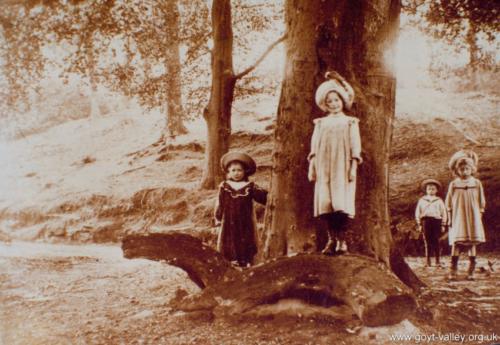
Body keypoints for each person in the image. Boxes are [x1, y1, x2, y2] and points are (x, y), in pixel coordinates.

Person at [307, 71, 362, 255]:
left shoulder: (350, 122)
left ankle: (342, 241)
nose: (333, 104)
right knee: (326, 203)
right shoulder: (321, 123)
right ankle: (331, 239)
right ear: (325, 104)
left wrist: (353, 167)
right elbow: (314, 146)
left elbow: (355, 146)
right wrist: (312, 166)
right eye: (329, 101)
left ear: (343, 101)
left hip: (342, 166)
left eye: (336, 100)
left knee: (341, 203)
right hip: (324, 167)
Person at [214, 151, 267, 267]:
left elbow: (264, 198)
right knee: (230, 240)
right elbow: (220, 204)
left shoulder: (250, 186)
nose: (236, 173)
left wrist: (271, 196)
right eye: (233, 170)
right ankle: (232, 261)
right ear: (228, 172)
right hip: (229, 221)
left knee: (246, 239)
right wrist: (218, 219)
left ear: (245, 172)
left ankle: (246, 261)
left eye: (239, 170)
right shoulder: (224, 186)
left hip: (245, 221)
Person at [446, 150, 486, 280]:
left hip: (473, 216)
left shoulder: (476, 183)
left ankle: (471, 271)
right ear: (457, 170)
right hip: (458, 217)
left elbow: (481, 201)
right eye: (462, 169)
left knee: (471, 243)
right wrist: (450, 218)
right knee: (457, 242)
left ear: (472, 169)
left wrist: (479, 214)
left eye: (467, 169)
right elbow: (449, 202)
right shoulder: (454, 184)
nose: (464, 171)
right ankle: (453, 269)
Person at [415, 179, 447, 267]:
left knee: (436, 241)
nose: (431, 190)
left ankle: (437, 260)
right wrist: (419, 224)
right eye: (429, 189)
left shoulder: (439, 201)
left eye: (433, 189)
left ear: (436, 190)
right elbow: (418, 212)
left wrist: (443, 224)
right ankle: (427, 261)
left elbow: (443, 212)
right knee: (427, 241)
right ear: (426, 190)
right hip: (426, 222)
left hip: (436, 221)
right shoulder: (422, 200)